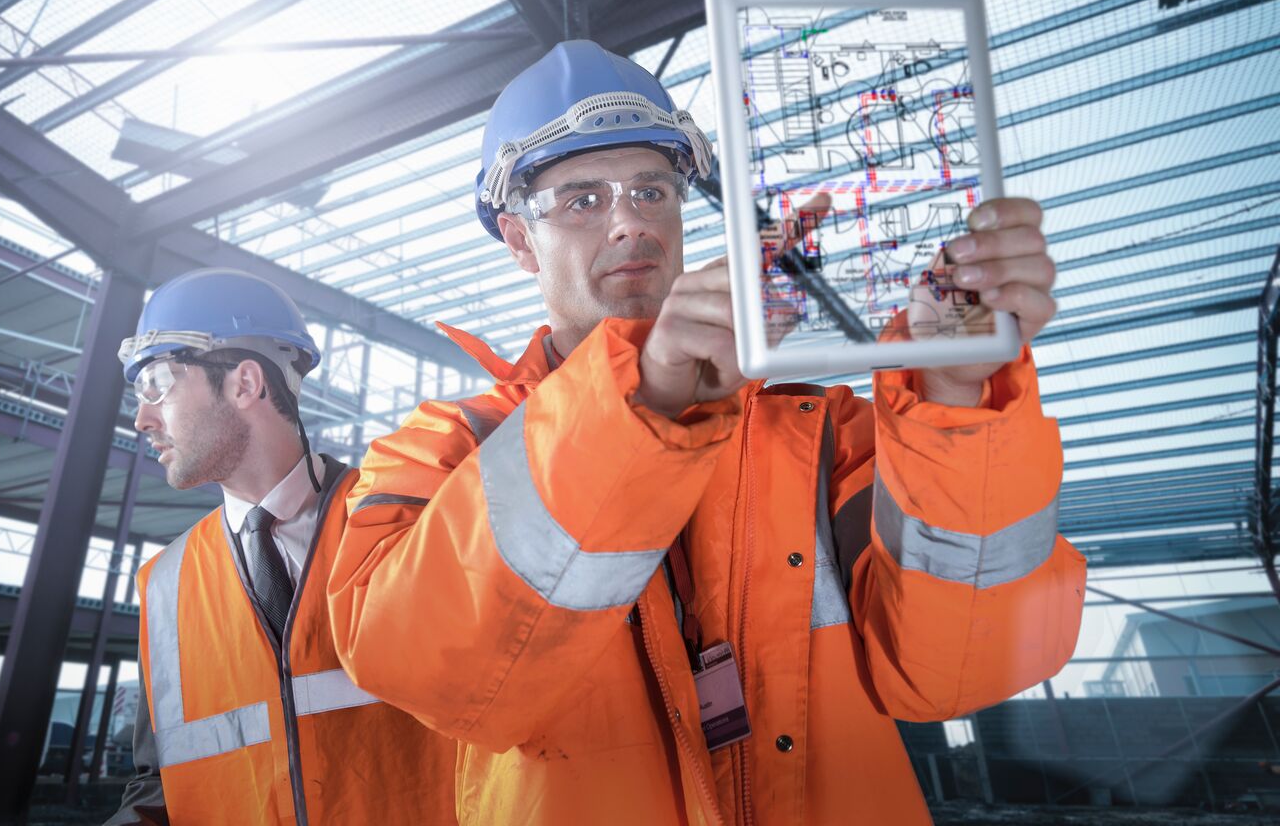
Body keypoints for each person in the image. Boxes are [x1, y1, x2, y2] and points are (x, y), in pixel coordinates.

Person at [328, 40, 1084, 825]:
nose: (630, 223)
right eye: (582, 200)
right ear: (520, 240)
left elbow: (957, 670)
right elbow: (427, 671)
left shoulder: (826, 437)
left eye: (652, 191)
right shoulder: (443, 450)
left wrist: (957, 397)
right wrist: (643, 398)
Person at [105, 269, 455, 825]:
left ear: (245, 384)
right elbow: (159, 784)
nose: (142, 418)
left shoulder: (410, 521)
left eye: (158, 384)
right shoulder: (164, 584)